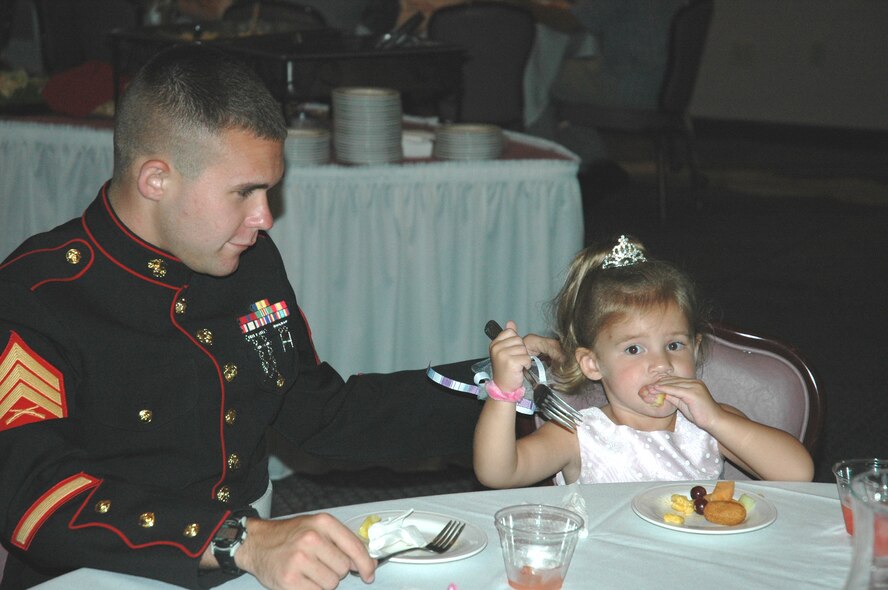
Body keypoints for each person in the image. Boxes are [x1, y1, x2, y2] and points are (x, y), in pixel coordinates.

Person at [0, 45, 556, 589]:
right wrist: (234, 538)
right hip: (96, 572)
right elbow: (32, 499)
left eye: (269, 190)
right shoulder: (39, 292)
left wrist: (509, 387)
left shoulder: (246, 260)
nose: (265, 217)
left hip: (250, 556)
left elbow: (321, 412)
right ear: (155, 179)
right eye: (244, 192)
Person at [473, 235, 814, 488]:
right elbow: (499, 473)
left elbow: (798, 473)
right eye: (635, 349)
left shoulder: (708, 424)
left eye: (675, 344)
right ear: (593, 364)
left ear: (696, 349)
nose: (661, 363)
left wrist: (715, 420)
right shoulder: (578, 434)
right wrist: (503, 391)